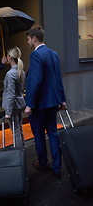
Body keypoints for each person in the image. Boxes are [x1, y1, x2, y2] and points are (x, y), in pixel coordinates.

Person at [25, 25, 67, 178]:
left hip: (39, 105)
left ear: (34, 39)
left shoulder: (35, 55)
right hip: (53, 103)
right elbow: (57, 79)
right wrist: (62, 100)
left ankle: (43, 163)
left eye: (28, 39)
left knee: (39, 135)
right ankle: (56, 168)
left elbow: (35, 81)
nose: (28, 42)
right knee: (53, 133)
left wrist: (29, 104)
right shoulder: (54, 54)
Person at [2, 46, 26, 147]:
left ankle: (19, 153)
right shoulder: (21, 71)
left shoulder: (10, 74)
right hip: (20, 104)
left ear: (10, 57)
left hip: (12, 106)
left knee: (15, 131)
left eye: (7, 55)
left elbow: (10, 94)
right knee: (19, 129)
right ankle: (22, 149)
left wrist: (8, 112)